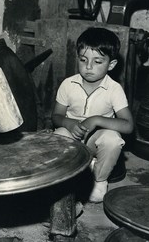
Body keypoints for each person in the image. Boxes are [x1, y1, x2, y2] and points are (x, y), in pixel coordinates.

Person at [52, 27, 134, 203]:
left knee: (113, 139)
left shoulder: (113, 89)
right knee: (58, 134)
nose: (88, 67)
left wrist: (96, 120)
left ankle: (99, 178)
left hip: (95, 142)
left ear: (111, 65)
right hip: (73, 139)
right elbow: (56, 116)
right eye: (83, 60)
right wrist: (68, 123)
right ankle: (66, 176)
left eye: (97, 61)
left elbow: (128, 125)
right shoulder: (68, 84)